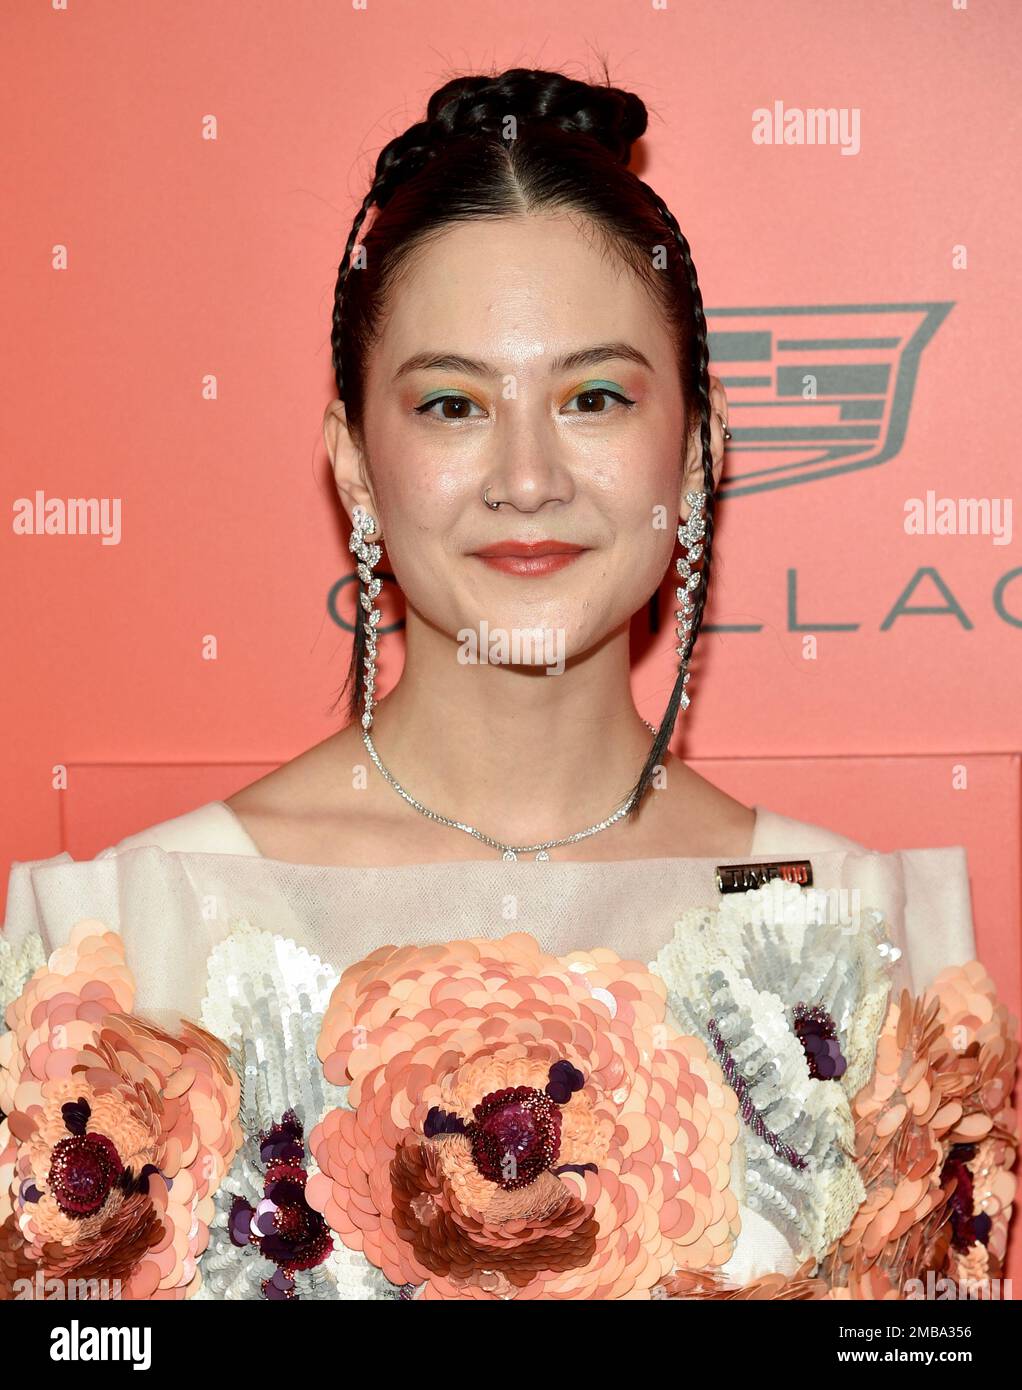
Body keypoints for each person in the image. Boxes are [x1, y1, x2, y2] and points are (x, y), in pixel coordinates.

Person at [1, 67, 1015, 1303]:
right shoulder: (128, 967)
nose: (526, 476)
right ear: (356, 468)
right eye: (451, 403)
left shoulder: (870, 967)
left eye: (592, 396)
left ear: (696, 452)